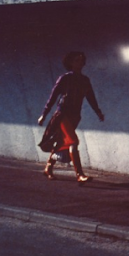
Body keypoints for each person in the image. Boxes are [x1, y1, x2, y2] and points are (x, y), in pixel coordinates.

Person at [37, 51, 105, 184]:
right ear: (70, 63)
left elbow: (91, 98)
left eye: (81, 60)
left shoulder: (85, 80)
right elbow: (53, 97)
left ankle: (48, 168)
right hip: (63, 115)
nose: (80, 63)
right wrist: (43, 115)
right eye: (76, 60)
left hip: (75, 116)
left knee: (62, 142)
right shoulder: (65, 78)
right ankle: (80, 175)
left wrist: (98, 112)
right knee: (73, 142)